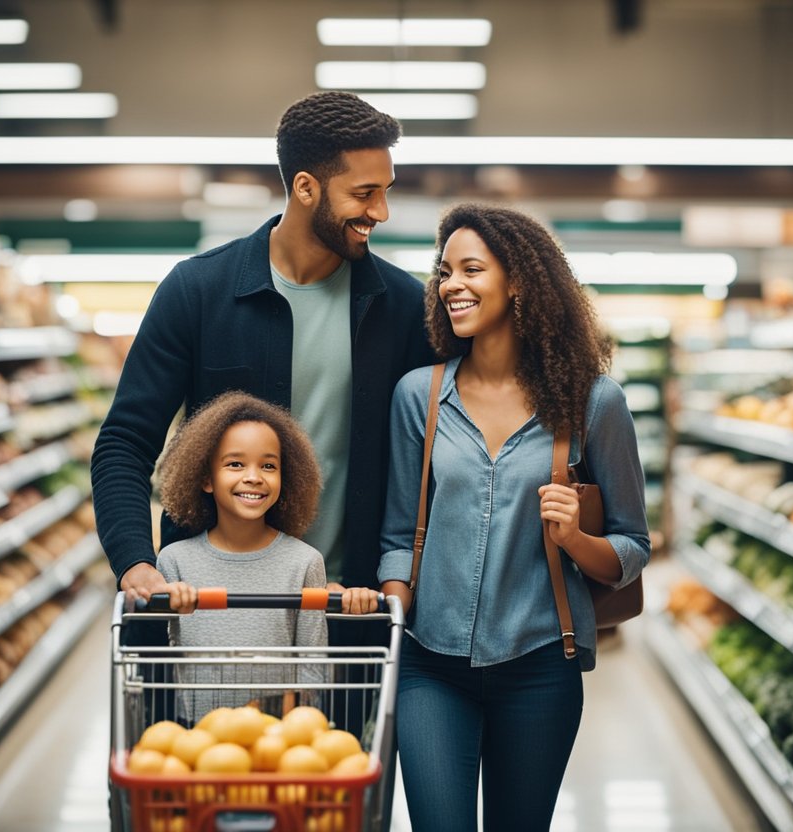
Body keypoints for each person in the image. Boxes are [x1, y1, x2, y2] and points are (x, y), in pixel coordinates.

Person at [92, 90, 433, 607]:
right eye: (365, 193)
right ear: (305, 187)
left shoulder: (404, 307)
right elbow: (125, 440)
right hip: (212, 604)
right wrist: (136, 561)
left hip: (351, 604)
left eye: (385, 191)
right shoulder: (198, 291)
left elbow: (430, 463)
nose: (380, 211)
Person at [378, 204, 651, 831]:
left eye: (471, 269)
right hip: (429, 663)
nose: (451, 285)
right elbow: (398, 534)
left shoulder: (592, 403)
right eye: (445, 271)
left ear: (520, 281)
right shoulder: (418, 395)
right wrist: (393, 614)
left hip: (540, 666)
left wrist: (576, 538)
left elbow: (633, 545)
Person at [153, 392, 377, 722]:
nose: (254, 477)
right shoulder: (174, 562)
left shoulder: (305, 562)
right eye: (235, 464)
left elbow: (312, 667)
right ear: (205, 478)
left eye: (268, 465)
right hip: (198, 742)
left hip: (279, 741)